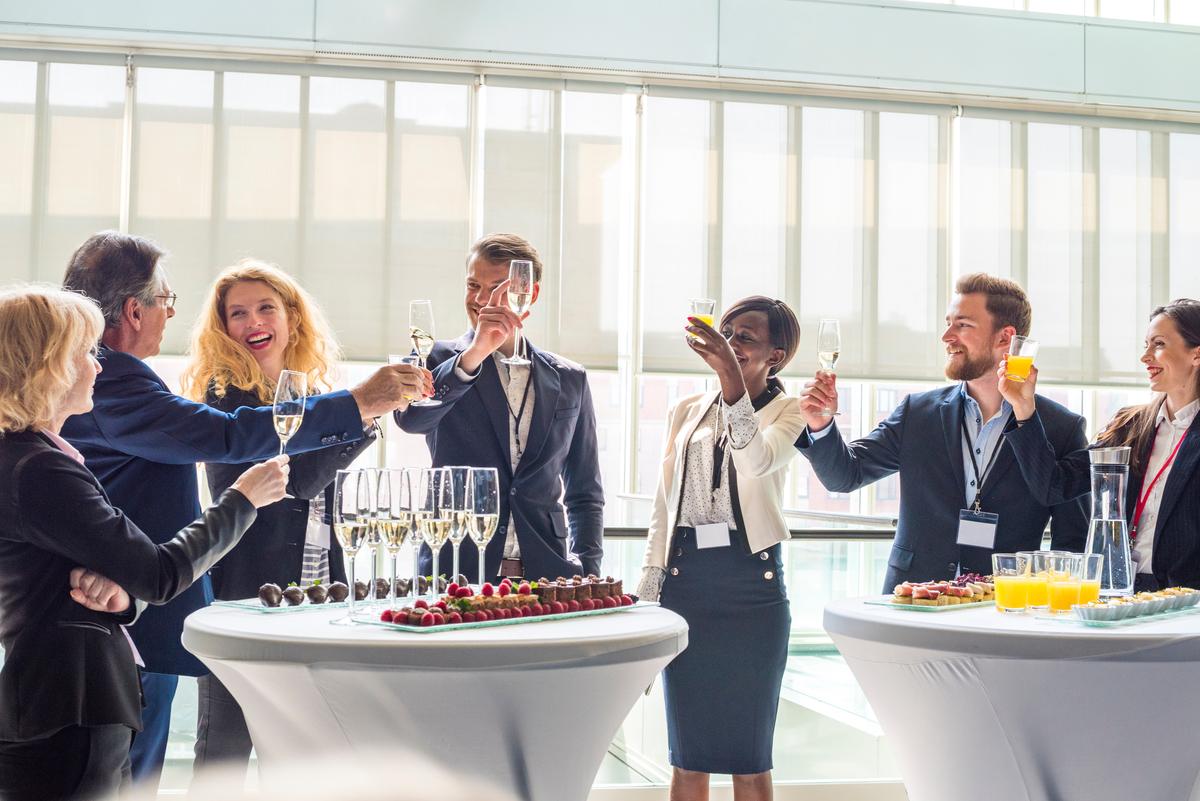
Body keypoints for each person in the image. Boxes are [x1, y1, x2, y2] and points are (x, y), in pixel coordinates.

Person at [59, 231, 426, 786]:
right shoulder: (114, 379)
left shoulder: (108, 375)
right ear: (135, 311)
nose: (169, 314)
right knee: (127, 778)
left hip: (131, 605)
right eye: (166, 302)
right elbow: (230, 437)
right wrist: (358, 404)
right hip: (119, 611)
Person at [0, 286, 290, 801]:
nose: (99, 367)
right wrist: (242, 499)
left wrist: (122, 597)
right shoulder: (40, 469)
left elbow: (88, 581)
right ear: (52, 366)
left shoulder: (32, 458)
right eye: (88, 353)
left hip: (62, 702)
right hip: (71, 707)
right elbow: (159, 573)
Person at [181, 260, 417, 775]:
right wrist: (364, 413)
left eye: (266, 307)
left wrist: (359, 413)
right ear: (224, 329)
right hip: (243, 598)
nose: (252, 321)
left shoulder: (313, 397)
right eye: (237, 313)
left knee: (301, 752)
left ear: (291, 317)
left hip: (315, 593)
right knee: (223, 747)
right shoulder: (224, 402)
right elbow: (299, 484)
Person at [796, 273, 1088, 593]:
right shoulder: (917, 413)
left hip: (1002, 610)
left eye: (962, 324)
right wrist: (820, 425)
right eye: (948, 322)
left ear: (1005, 338)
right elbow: (844, 476)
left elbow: (1071, 543)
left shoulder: (1061, 428)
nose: (946, 336)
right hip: (912, 598)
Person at [636, 296, 803, 800]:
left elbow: (755, 462)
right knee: (688, 758)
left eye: (745, 338)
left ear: (775, 355)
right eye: (726, 333)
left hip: (753, 592)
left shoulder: (790, 411)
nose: (731, 344)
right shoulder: (684, 410)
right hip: (687, 587)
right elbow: (663, 505)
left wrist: (733, 382)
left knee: (749, 760)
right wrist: (650, 585)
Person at [396, 233, 603, 581]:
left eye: (496, 288)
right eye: (473, 285)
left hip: (548, 577)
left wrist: (588, 570)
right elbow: (412, 419)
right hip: (455, 572)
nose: (480, 299)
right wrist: (474, 355)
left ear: (529, 294)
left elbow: (585, 491)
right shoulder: (433, 359)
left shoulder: (570, 379)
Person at [1000, 299, 1200, 591]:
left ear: (1196, 355)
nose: (1145, 357)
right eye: (1145, 344)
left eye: (1158, 344)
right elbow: (1054, 486)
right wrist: (1023, 406)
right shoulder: (1130, 426)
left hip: (1187, 601)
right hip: (1121, 591)